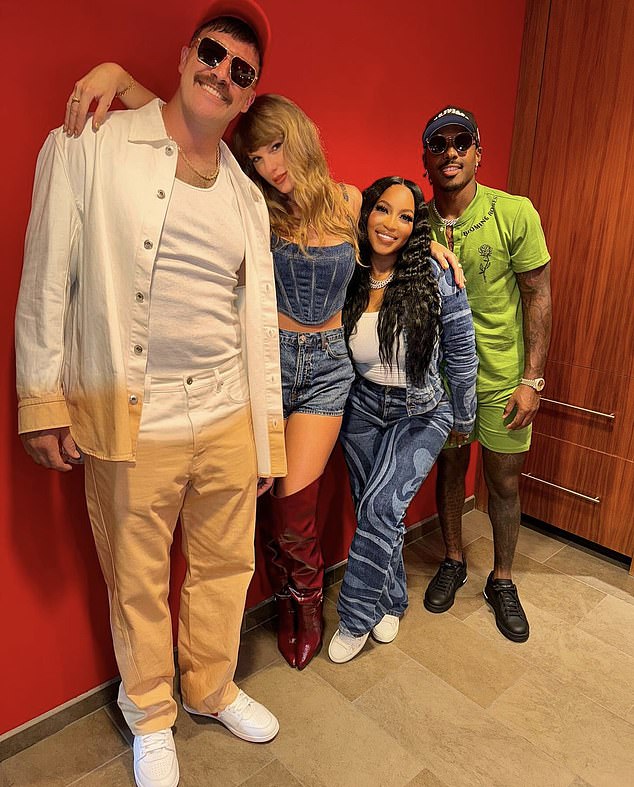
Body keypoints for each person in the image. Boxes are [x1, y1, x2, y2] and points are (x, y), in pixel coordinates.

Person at [16, 3, 286, 786]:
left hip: (229, 412)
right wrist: (42, 397)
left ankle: (210, 685)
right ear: (184, 55)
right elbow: (45, 280)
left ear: (247, 94)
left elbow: (257, 326)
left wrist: (264, 436)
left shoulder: (241, 190)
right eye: (213, 52)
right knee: (135, 575)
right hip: (136, 412)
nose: (223, 73)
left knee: (226, 563)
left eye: (243, 70)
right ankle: (151, 712)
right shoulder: (92, 146)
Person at [327, 177, 478, 664]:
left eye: (407, 217)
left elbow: (461, 350)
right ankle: (391, 598)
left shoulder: (434, 276)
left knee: (380, 509)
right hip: (362, 409)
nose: (391, 224)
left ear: (418, 227)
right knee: (370, 505)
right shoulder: (348, 271)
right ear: (366, 212)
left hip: (422, 410)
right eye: (383, 210)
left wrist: (465, 415)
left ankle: (354, 618)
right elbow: (319, 188)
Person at [421, 106, 552, 643]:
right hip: (442, 377)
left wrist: (532, 379)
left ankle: (501, 578)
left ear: (478, 152)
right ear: (425, 156)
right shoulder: (415, 220)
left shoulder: (515, 213)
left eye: (461, 142)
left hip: (501, 377)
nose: (449, 152)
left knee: (502, 479)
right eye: (438, 143)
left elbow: (538, 294)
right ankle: (452, 559)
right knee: (451, 472)